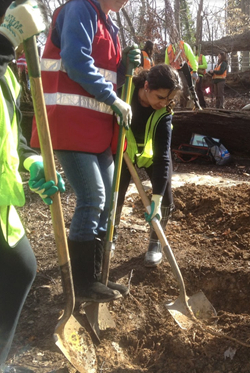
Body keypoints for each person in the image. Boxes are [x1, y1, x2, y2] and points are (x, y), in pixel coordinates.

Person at [30, 0, 142, 303]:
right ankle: (80, 285)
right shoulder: (80, 9)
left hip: (96, 128)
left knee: (107, 201)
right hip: (69, 124)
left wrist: (123, 67)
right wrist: (113, 99)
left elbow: (104, 71)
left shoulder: (110, 24)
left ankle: (96, 278)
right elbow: (76, 61)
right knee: (93, 198)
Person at [0, 0, 65, 368]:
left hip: (1, 204)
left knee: (19, 269)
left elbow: (11, 133)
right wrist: (4, 41)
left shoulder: (8, 73)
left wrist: (31, 160)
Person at [116, 64, 181, 267]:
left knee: (165, 197)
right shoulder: (124, 95)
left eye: (169, 100)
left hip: (152, 158)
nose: (164, 103)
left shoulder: (164, 112)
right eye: (160, 97)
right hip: (125, 154)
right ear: (146, 86)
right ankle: (111, 233)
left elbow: (163, 156)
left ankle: (155, 242)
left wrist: (157, 200)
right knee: (114, 195)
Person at [164, 40, 200, 109]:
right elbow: (166, 64)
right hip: (173, 73)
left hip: (184, 72)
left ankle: (188, 107)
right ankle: (180, 107)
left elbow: (192, 58)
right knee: (176, 92)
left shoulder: (184, 46)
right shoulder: (168, 49)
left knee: (186, 91)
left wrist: (195, 71)